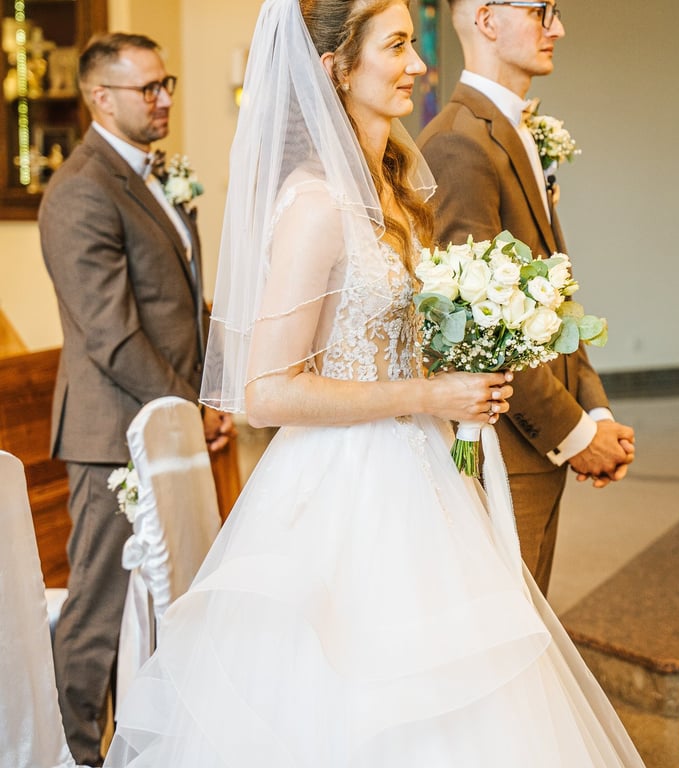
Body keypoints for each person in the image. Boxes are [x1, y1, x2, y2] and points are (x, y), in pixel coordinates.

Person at [104, 0, 644, 764]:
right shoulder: (316, 204)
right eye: (396, 46)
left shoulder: (396, 192)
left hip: (427, 474)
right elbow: (267, 392)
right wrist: (428, 395)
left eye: (412, 45)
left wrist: (463, 364)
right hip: (347, 491)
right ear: (336, 69)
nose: (419, 65)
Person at [38, 32, 232, 765]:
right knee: (99, 610)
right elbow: (113, 335)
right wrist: (189, 412)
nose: (162, 100)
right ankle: (69, 753)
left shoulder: (155, 175)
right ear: (100, 97)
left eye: (165, 84)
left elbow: (179, 305)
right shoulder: (81, 189)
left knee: (163, 599)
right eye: (146, 88)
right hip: (114, 434)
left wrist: (212, 394)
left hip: (168, 419)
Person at [418, 0, 635, 594]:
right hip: (505, 451)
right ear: (488, 20)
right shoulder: (459, 141)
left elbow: (552, 295)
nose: (557, 27)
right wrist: (576, 435)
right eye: (542, 11)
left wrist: (596, 412)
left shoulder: (515, 129)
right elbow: (480, 327)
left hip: (536, 447)